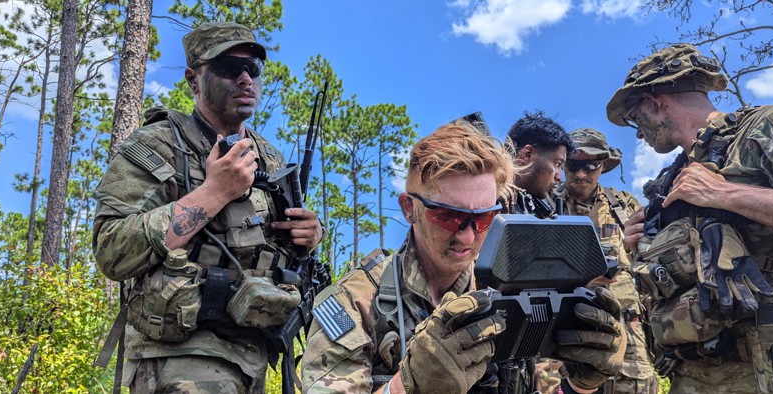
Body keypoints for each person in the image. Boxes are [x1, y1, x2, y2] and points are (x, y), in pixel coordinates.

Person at [300, 121, 626, 394]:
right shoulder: (353, 304)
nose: (467, 236)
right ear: (409, 208)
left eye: (484, 219)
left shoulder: (513, 291)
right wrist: (407, 386)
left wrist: (582, 385)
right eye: (448, 216)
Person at [92, 22, 322, 393]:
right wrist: (214, 192)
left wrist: (308, 235)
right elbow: (111, 250)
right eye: (229, 69)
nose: (246, 79)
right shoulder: (159, 144)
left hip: (255, 355)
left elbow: (275, 248)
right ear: (193, 79)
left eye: (253, 69)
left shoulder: (268, 156)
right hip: (180, 356)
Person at [606, 43, 773, 393]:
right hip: (694, 369)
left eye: (635, 116)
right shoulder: (671, 179)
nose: (637, 132)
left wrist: (726, 194)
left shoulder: (770, 127)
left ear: (655, 102)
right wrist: (640, 246)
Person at [550, 127, 657, 394]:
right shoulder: (545, 205)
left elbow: (650, 261)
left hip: (626, 327)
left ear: (603, 165)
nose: (581, 174)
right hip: (562, 329)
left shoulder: (624, 205)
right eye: (573, 165)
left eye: (590, 165)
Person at [501, 111, 575, 217]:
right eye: (557, 164)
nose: (559, 177)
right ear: (528, 154)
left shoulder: (531, 205)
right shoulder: (489, 200)